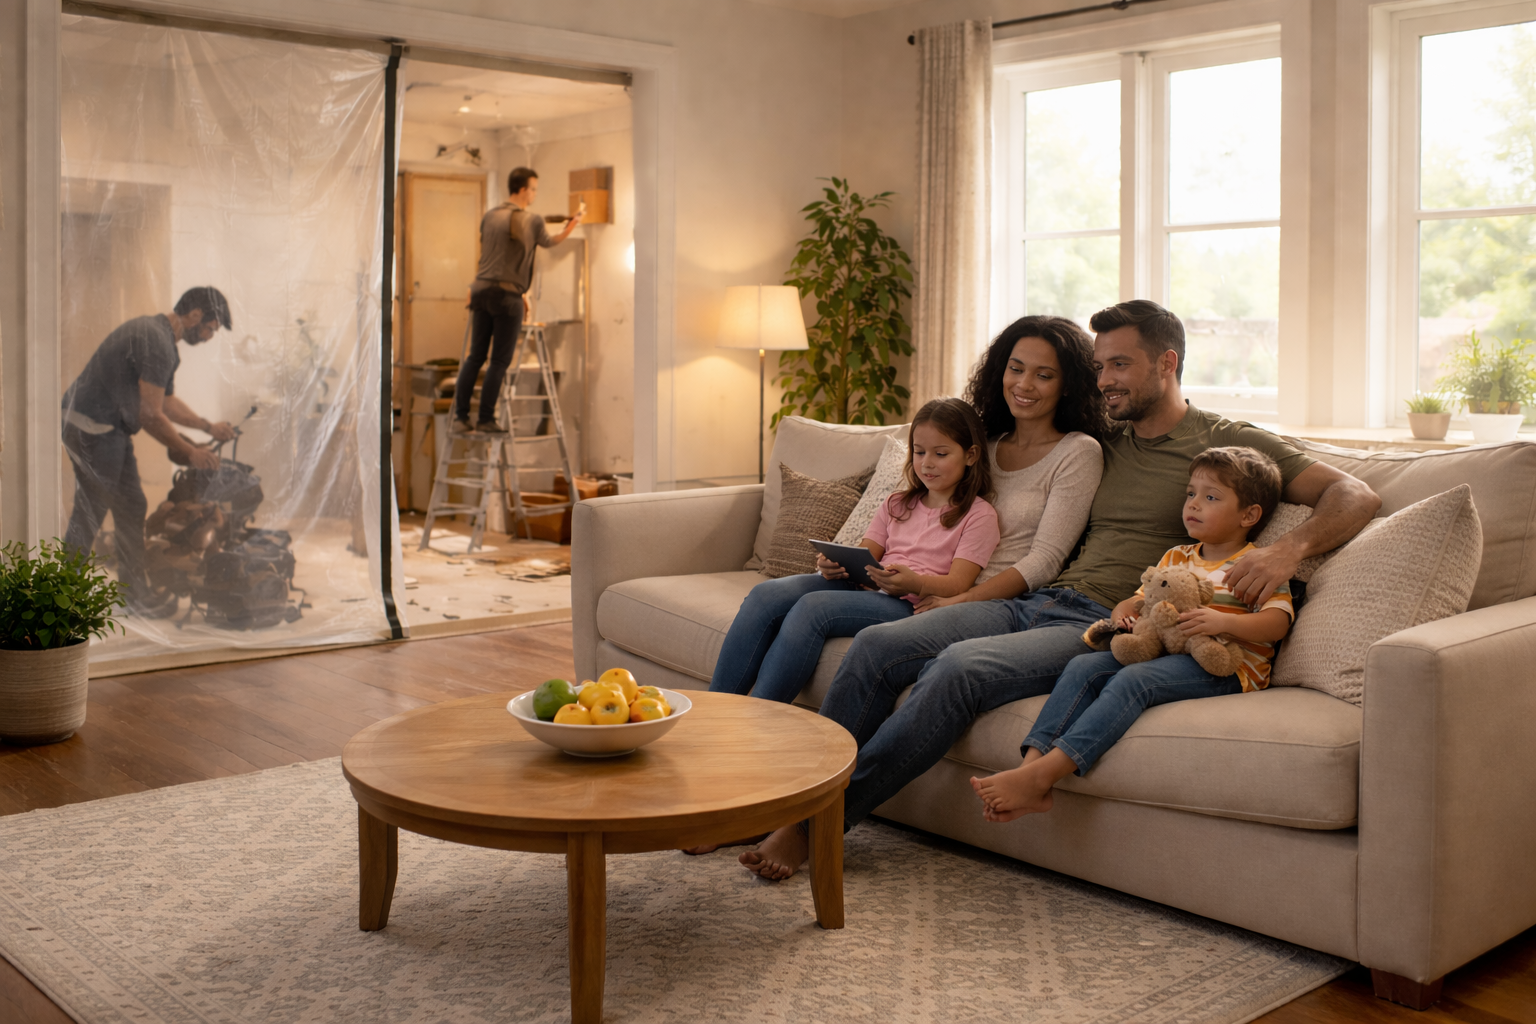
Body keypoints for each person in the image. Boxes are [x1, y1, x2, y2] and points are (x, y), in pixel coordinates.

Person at [739, 299, 1382, 881]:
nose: (1104, 380)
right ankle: (783, 798)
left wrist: (1284, 551)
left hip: (1103, 618)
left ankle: (815, 827)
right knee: (879, 644)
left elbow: (1355, 492)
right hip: (1033, 600)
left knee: (958, 669)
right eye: (1099, 366)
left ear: (1168, 363)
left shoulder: (1223, 441)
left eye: (1120, 364)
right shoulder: (1102, 440)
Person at [690, 314, 1106, 856]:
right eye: (1015, 368)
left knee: (830, 622)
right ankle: (710, 741)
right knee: (770, 594)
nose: (1024, 385)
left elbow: (1045, 560)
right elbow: (911, 506)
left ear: (1068, 383)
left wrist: (956, 598)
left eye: (1044, 375)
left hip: (982, 595)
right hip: (911, 583)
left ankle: (776, 791)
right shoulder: (980, 437)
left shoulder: (1078, 451)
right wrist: (851, 565)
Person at [973, 446, 1292, 821]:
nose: (1193, 504)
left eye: (1211, 497)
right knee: (1081, 666)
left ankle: (1043, 776)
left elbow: (1278, 621)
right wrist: (1124, 615)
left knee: (1134, 681)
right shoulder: (1176, 556)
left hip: (1225, 667)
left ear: (1249, 514)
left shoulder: (1257, 563)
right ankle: (1030, 770)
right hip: (1165, 651)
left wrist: (1224, 622)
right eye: (1191, 494)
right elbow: (1137, 601)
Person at [709, 398, 1001, 705]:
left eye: (940, 454)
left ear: (970, 455)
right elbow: (866, 554)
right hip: (871, 587)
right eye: (919, 452)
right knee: (764, 595)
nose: (927, 462)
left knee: (812, 609)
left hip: (911, 605)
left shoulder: (979, 515)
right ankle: (716, 708)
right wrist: (836, 563)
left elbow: (958, 584)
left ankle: (754, 720)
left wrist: (915, 582)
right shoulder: (896, 503)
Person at [61, 286, 235, 618]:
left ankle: (133, 594)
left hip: (110, 429)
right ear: (196, 315)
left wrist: (207, 427)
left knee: (132, 505)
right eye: (211, 328)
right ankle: (59, 599)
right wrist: (190, 451)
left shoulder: (161, 339)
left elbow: (165, 402)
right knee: (90, 510)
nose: (211, 336)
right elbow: (151, 415)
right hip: (93, 427)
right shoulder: (156, 341)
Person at [451, 166, 582, 434]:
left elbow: (497, 257)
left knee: (475, 357)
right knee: (499, 361)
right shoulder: (531, 220)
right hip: (506, 296)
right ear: (523, 190)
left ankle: (460, 417)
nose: (534, 194)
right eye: (533, 188)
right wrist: (571, 226)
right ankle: (486, 419)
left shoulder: (489, 216)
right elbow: (549, 241)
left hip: (480, 291)